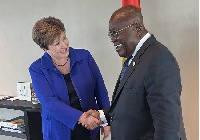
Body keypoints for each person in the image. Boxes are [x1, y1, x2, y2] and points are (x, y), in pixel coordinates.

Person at [103, 5, 186, 140]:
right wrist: (102, 115)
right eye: (111, 34)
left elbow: (168, 126)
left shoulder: (159, 59)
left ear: (137, 28)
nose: (113, 39)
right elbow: (134, 106)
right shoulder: (135, 58)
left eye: (116, 32)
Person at [29, 16, 110, 140]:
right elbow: (49, 102)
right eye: (57, 44)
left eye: (64, 38)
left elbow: (100, 89)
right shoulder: (37, 68)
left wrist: (106, 120)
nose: (64, 45)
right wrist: (82, 117)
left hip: (90, 126)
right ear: (44, 49)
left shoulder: (84, 56)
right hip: (59, 131)